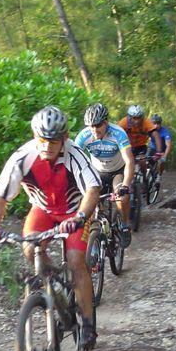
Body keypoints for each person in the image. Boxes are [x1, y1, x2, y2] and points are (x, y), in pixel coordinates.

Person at [0, 106, 101, 351]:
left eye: (53, 141)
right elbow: (0, 196)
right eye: (42, 140)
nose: (47, 146)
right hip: (43, 210)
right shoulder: (22, 157)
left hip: (74, 210)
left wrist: (80, 216)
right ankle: (53, 283)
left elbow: (92, 190)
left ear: (65, 138)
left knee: (76, 258)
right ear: (35, 137)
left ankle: (88, 323)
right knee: (29, 248)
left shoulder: (75, 155)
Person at [75, 103, 134, 248]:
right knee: (92, 204)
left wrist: (125, 185)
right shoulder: (84, 136)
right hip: (97, 172)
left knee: (123, 197)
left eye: (98, 125)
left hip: (117, 172)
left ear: (106, 122)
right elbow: (74, 160)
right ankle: (97, 234)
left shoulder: (118, 133)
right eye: (91, 126)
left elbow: (130, 161)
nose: (94, 129)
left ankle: (125, 225)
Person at [148, 113, 173, 185]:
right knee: (146, 161)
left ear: (160, 124)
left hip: (162, 150)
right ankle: (147, 176)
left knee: (161, 162)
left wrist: (165, 156)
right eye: (154, 123)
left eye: (158, 123)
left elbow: (168, 145)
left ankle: (159, 175)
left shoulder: (165, 132)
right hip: (152, 148)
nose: (156, 125)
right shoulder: (150, 129)